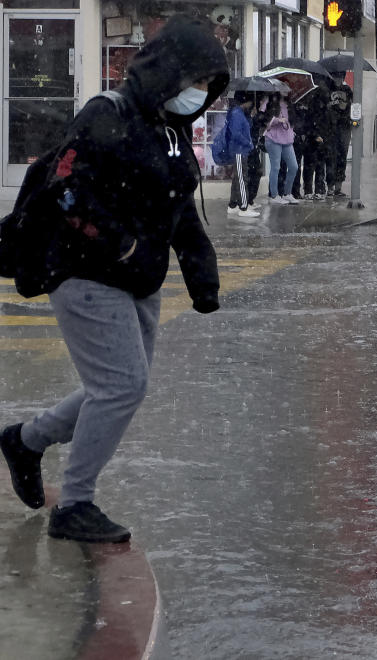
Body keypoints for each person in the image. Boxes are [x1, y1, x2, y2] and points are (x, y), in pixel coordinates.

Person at [0, 15, 226, 543]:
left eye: (206, 85)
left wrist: (201, 272)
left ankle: (26, 442)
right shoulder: (109, 113)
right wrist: (116, 242)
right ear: (168, 72)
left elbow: (180, 210)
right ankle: (74, 505)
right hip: (83, 272)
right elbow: (64, 187)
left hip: (138, 279)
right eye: (194, 80)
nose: (199, 93)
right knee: (122, 385)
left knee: (119, 387)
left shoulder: (171, 132)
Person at [225, 91, 259, 218]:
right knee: (241, 178)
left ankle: (232, 205)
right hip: (239, 150)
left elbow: (245, 129)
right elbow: (236, 134)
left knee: (237, 178)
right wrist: (248, 143)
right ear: (246, 101)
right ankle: (243, 207)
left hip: (241, 150)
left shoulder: (239, 113)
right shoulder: (236, 114)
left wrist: (251, 116)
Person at [261, 92, 299, 205]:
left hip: (287, 140)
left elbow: (292, 122)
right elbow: (264, 122)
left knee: (294, 167)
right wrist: (277, 120)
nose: (286, 90)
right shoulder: (269, 102)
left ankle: (287, 193)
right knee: (276, 167)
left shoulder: (289, 104)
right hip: (273, 139)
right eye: (283, 87)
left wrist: (292, 131)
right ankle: (274, 195)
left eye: (287, 87)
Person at [301, 79, 332, 201]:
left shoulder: (315, 107)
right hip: (316, 140)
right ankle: (317, 189)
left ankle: (311, 190)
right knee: (317, 166)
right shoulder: (321, 109)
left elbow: (309, 124)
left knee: (313, 166)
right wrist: (318, 136)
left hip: (314, 141)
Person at [326, 78, 353, 198]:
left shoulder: (347, 90)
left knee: (342, 157)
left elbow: (353, 104)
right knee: (331, 158)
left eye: (340, 76)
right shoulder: (327, 90)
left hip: (344, 127)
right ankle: (330, 187)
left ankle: (338, 187)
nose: (338, 79)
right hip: (331, 128)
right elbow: (324, 108)